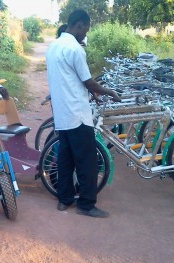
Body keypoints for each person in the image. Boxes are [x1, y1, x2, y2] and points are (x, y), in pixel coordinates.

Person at [46, 9, 121, 218]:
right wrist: (108, 92)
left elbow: (69, 79)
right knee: (87, 161)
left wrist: (91, 92)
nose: (85, 34)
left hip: (62, 114)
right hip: (77, 114)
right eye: (86, 29)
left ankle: (64, 200)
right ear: (79, 25)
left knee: (65, 158)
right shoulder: (75, 49)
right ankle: (86, 205)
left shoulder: (53, 47)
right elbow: (88, 81)